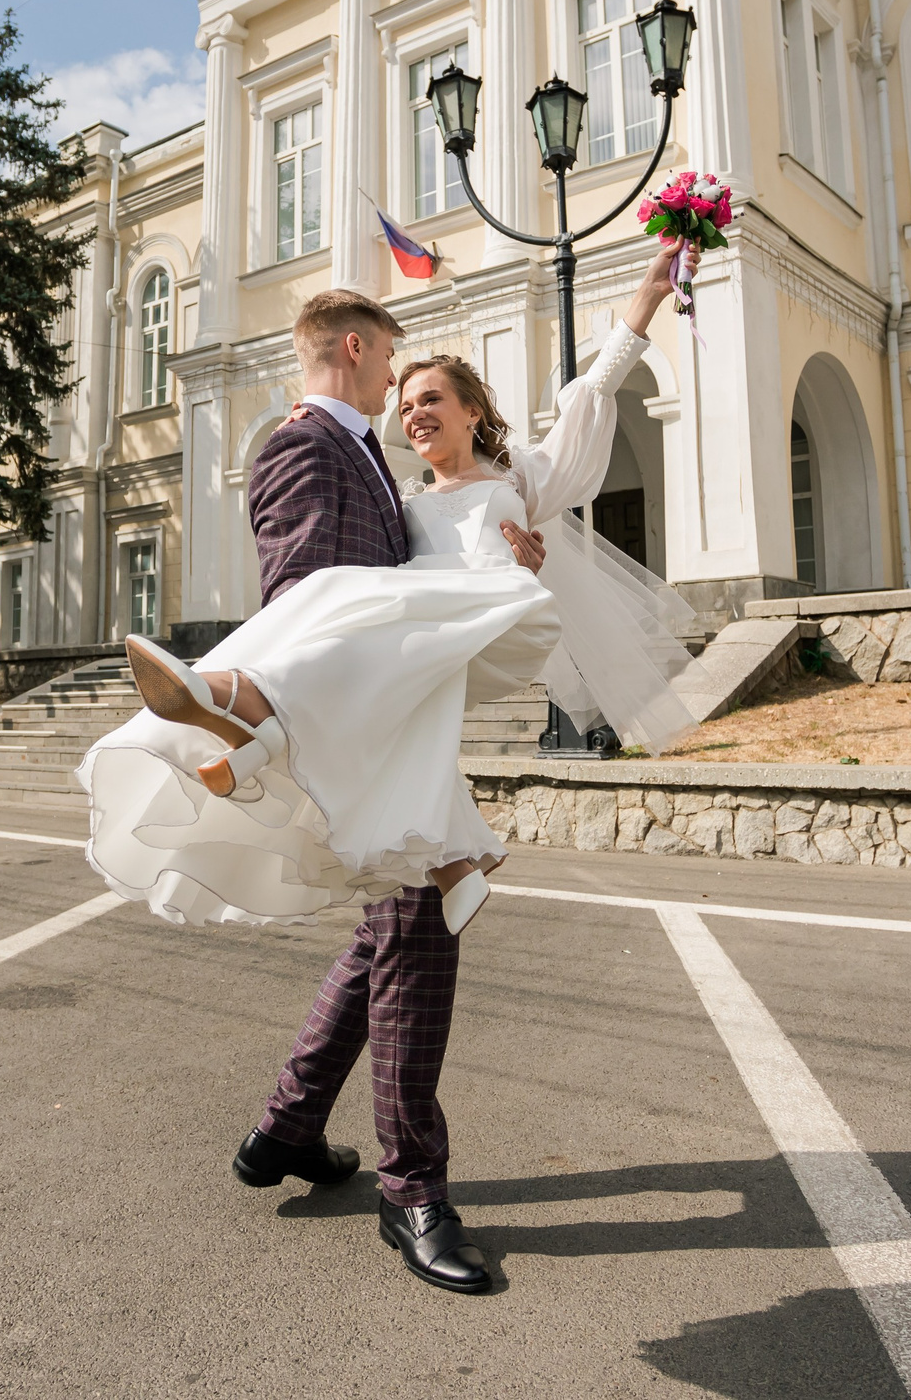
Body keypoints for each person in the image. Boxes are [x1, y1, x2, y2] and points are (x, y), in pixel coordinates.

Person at [79, 238, 699, 1295]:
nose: (411, 406)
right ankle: (412, 1187)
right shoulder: (356, 475)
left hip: (427, 690)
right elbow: (314, 598)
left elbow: (589, 406)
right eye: (399, 387)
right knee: (411, 937)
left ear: (471, 414)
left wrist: (640, 301)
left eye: (432, 396)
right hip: (377, 709)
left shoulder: (491, 485)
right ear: (363, 357)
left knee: (391, 934)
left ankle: (287, 1126)